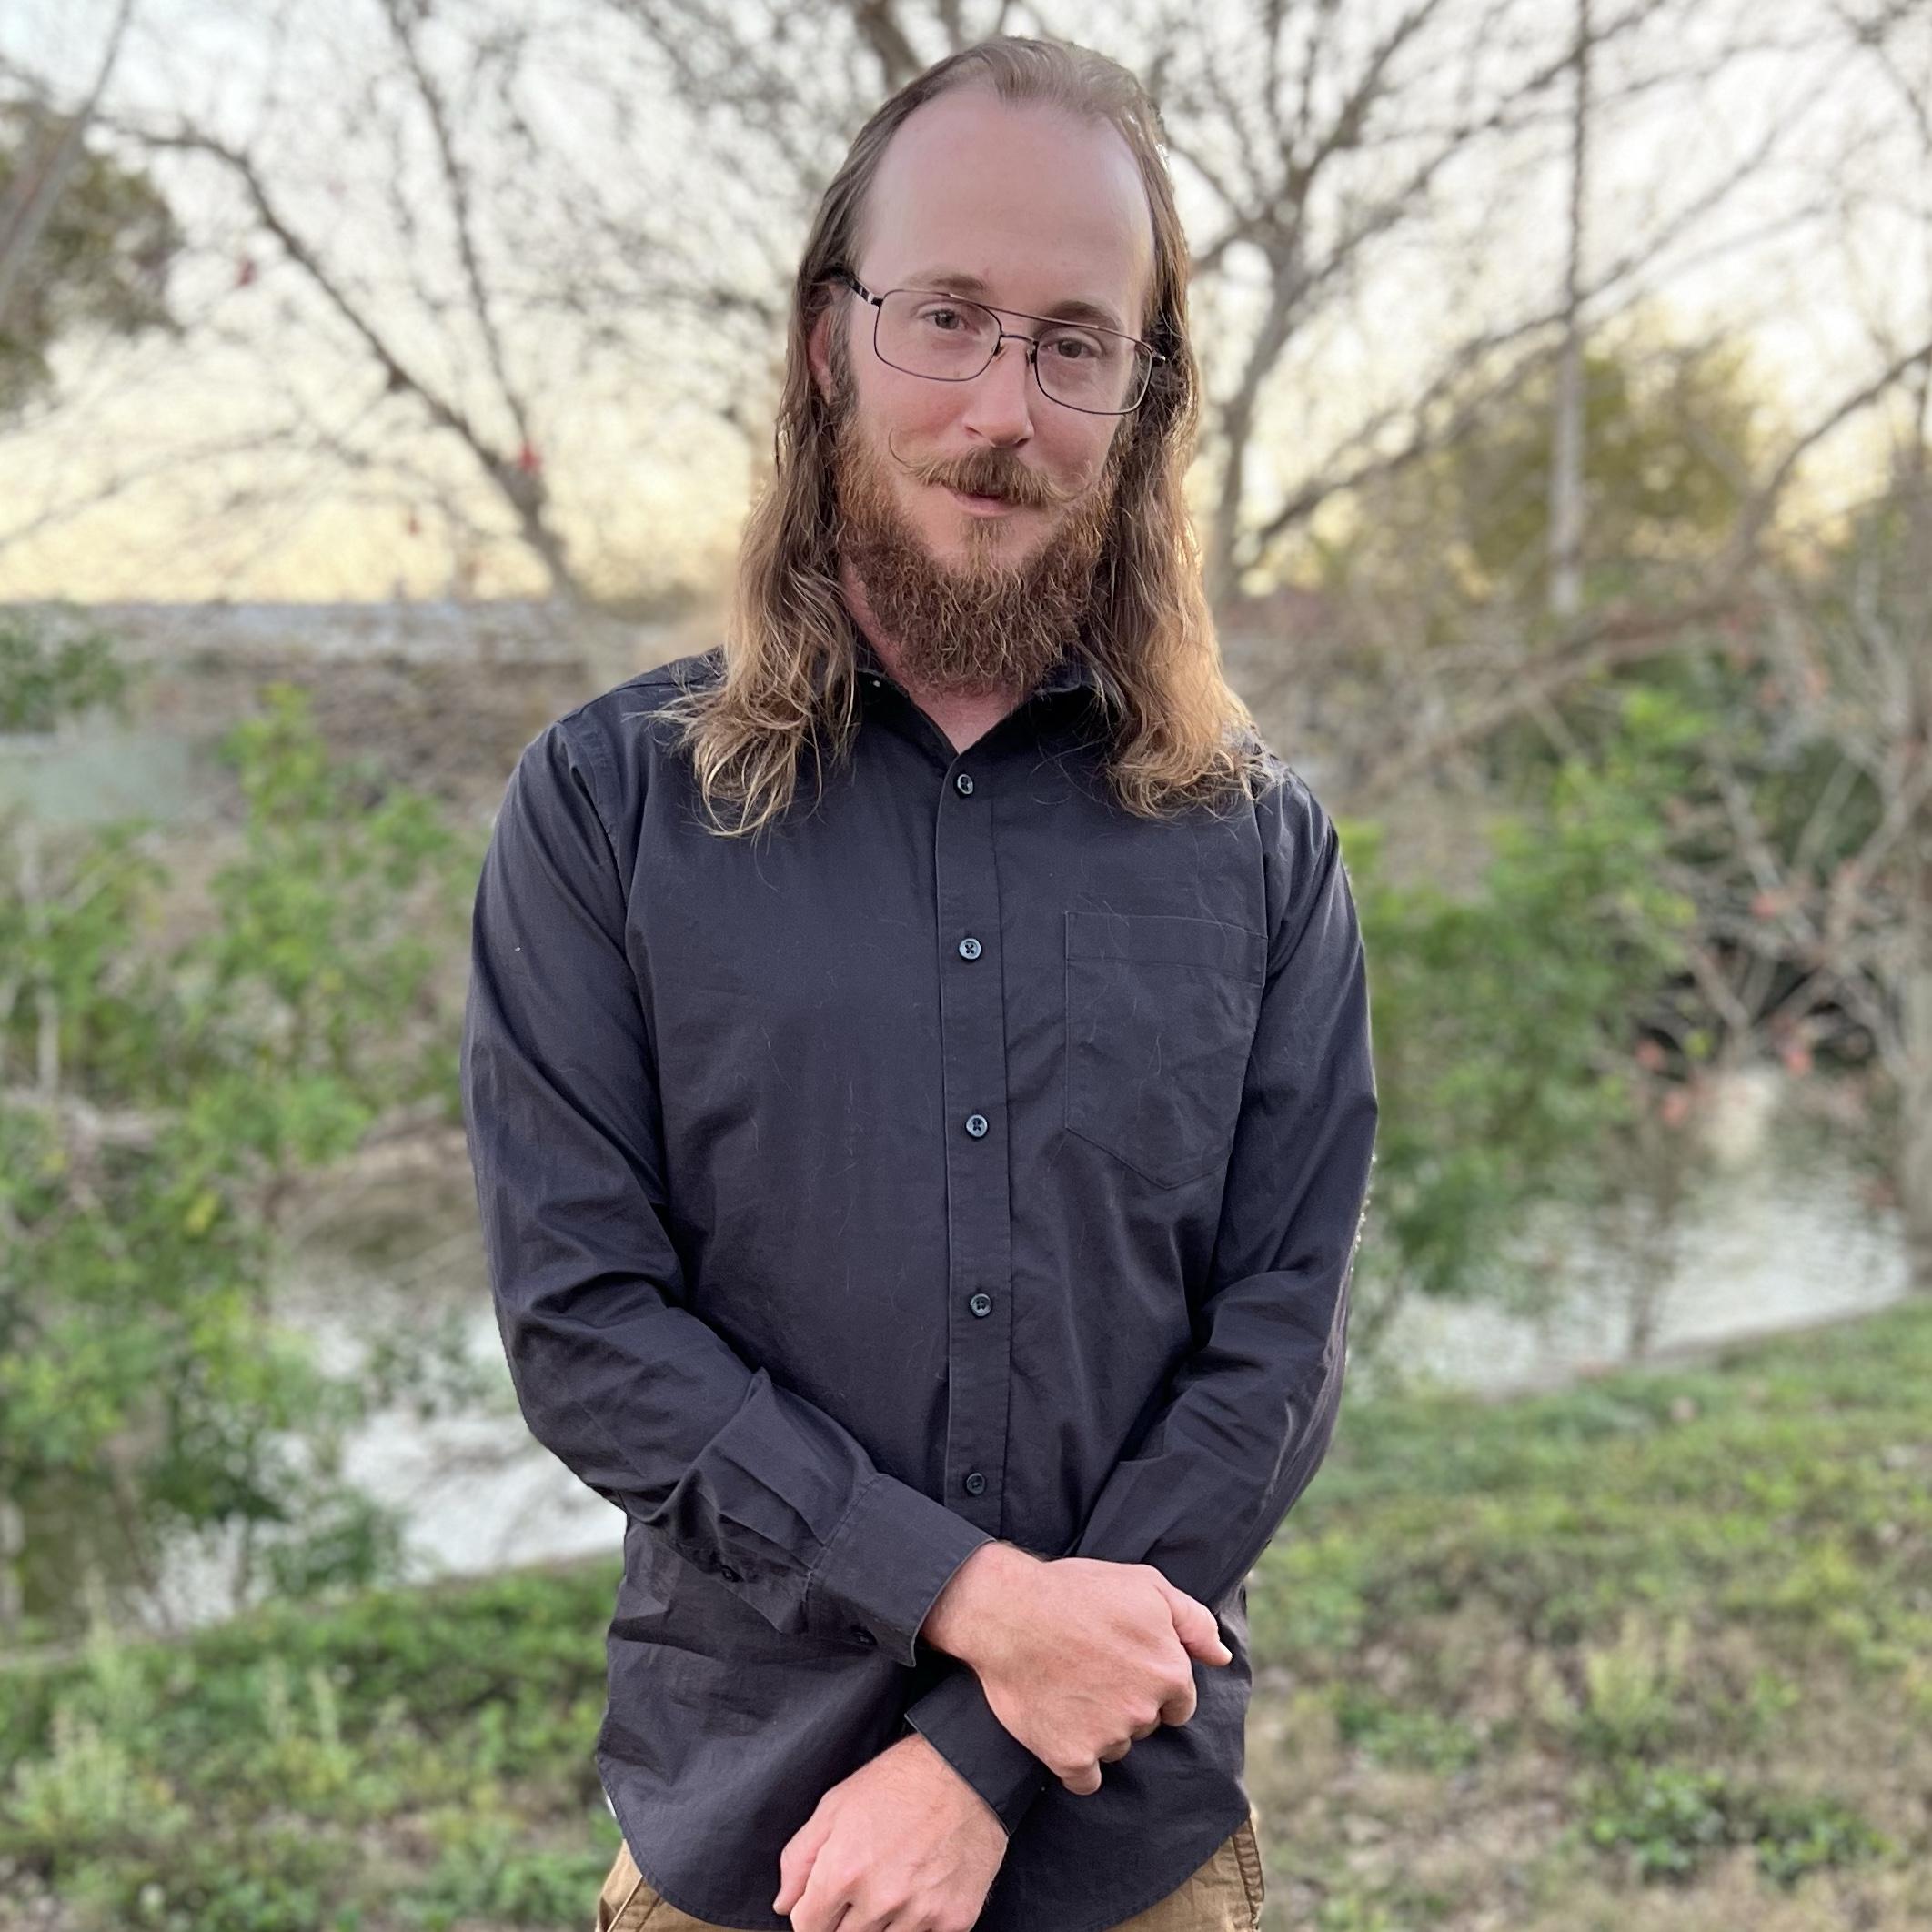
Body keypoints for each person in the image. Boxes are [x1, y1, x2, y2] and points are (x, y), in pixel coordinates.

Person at [459, 31, 1378, 1932]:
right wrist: (979, 1608)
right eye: (946, 318)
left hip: (1129, 1857)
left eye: (1075, 344)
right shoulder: (605, 811)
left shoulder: (1263, 848)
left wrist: (980, 1754)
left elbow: (1279, 1349)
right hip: (748, 1847)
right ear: (830, 341)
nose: (1003, 409)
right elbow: (587, 1325)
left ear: (1144, 396)